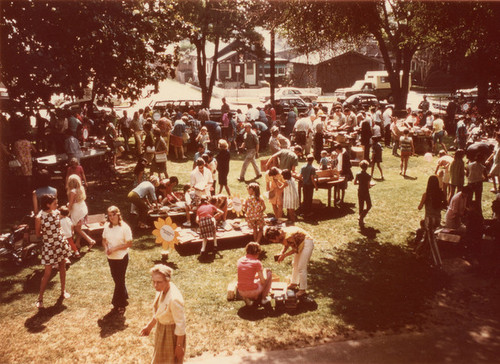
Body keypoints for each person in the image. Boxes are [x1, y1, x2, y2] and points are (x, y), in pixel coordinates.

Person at [140, 264, 186, 364]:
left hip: (171, 334)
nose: (155, 285)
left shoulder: (174, 299)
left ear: (167, 280)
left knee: (170, 361)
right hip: (161, 330)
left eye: (159, 282)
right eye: (154, 282)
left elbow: (180, 324)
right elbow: (159, 312)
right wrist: (150, 326)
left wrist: (179, 346)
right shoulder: (162, 290)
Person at [35, 194, 72, 308]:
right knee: (47, 273)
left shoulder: (56, 213)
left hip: (59, 244)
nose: (57, 205)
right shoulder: (39, 217)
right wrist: (48, 235)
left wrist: (59, 235)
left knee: (62, 266)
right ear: (47, 204)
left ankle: (63, 291)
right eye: (55, 203)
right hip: (49, 246)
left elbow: (59, 227)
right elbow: (37, 234)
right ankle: (40, 298)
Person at [265, 226, 314, 299]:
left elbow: (295, 249)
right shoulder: (282, 234)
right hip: (299, 243)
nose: (273, 242)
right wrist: (282, 252)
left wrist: (284, 255)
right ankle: (294, 283)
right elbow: (286, 244)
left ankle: (302, 290)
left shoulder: (289, 236)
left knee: (301, 267)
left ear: (276, 236)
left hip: (307, 243)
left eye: (273, 240)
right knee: (295, 264)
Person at [102, 206, 133, 315]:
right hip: (111, 258)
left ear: (118, 214)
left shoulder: (125, 227)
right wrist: (106, 249)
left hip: (121, 257)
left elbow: (129, 243)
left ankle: (120, 304)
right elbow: (104, 240)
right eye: (109, 215)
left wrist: (115, 248)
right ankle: (124, 296)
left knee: (119, 280)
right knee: (117, 280)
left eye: (113, 214)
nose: (111, 217)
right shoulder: (107, 226)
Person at [418, 175, 446, 267]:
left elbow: (419, 207)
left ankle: (438, 262)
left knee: (432, 241)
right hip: (438, 219)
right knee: (427, 236)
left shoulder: (426, 195)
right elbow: (444, 205)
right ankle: (419, 251)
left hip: (429, 219)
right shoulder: (441, 194)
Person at [237, 242, 272, 306]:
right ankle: (263, 299)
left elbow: (247, 274)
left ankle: (247, 298)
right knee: (269, 273)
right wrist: (265, 270)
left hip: (240, 291)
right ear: (257, 253)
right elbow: (263, 281)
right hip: (251, 291)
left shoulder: (240, 260)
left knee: (246, 279)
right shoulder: (257, 262)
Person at [67, 174, 95, 251]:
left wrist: (66, 212)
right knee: (79, 227)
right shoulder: (81, 189)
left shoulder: (72, 191)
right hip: (83, 209)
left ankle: (90, 240)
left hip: (77, 211)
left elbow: (71, 203)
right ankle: (77, 243)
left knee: (77, 228)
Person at [354, 160, 372, 227]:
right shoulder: (368, 176)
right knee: (369, 205)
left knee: (361, 205)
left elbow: (355, 183)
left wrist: (361, 183)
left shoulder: (358, 174)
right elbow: (368, 186)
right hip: (366, 192)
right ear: (367, 167)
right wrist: (370, 185)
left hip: (360, 191)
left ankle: (360, 218)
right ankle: (362, 217)